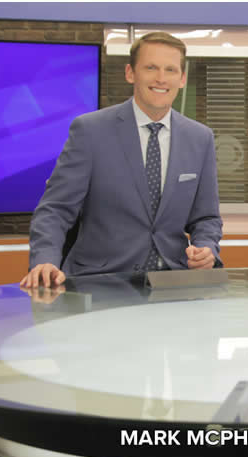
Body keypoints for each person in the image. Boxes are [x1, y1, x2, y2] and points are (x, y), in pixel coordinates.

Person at [21, 31, 222, 289]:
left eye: (170, 70)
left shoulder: (200, 138)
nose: (161, 78)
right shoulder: (90, 131)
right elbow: (56, 209)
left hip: (173, 283)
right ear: (130, 73)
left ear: (182, 79)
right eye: (151, 67)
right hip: (101, 283)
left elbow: (206, 218)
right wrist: (45, 260)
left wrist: (206, 248)